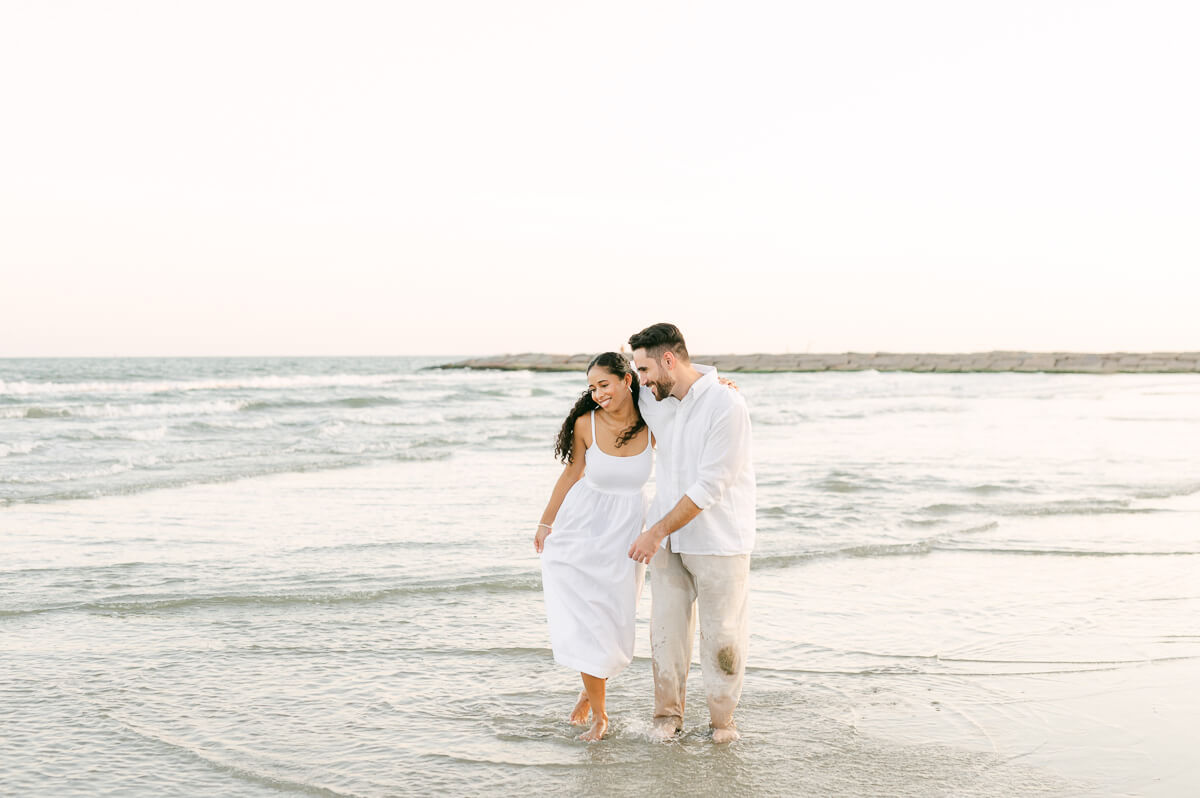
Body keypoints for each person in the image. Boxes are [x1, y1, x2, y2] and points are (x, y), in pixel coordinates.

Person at [625, 323, 755, 744]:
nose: (640, 381)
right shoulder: (654, 395)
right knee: (665, 635)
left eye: (644, 369)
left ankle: (722, 724)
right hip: (667, 541)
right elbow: (608, 381)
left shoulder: (726, 404)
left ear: (669, 360)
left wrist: (654, 531)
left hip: (719, 540)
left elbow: (710, 487)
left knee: (723, 637)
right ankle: (668, 718)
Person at [534, 352, 653, 742]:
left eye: (604, 384)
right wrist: (546, 521)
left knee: (616, 620)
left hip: (626, 531)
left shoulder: (654, 420)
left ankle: (589, 692)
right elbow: (572, 473)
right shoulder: (587, 424)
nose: (598, 393)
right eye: (592, 388)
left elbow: (688, 406)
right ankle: (601, 716)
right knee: (590, 622)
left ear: (627, 380)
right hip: (582, 527)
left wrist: (718, 384)